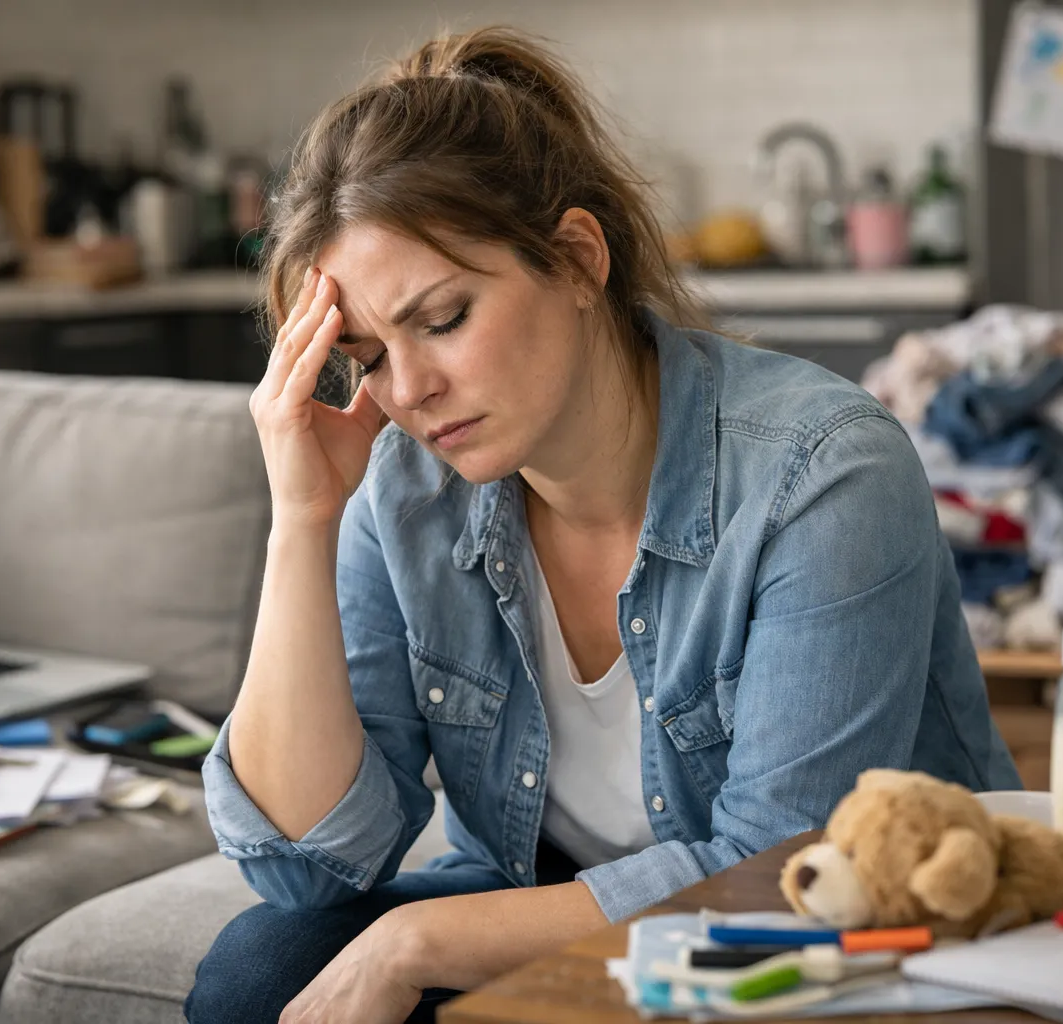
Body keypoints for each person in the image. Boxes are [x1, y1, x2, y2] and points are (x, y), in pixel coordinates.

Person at [185, 25, 1020, 1024]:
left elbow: (784, 873)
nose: (406, 390)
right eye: (365, 356)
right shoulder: (406, 489)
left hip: (845, 934)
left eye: (443, 319)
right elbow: (311, 870)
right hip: (571, 915)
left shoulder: (823, 469)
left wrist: (417, 942)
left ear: (578, 259)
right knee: (259, 968)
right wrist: (303, 519)